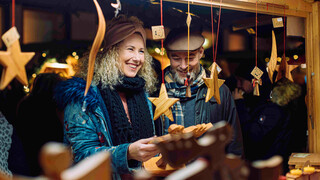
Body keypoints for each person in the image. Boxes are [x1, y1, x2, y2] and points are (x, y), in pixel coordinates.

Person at [54, 15, 159, 179]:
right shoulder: (84, 96)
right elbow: (80, 155)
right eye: (130, 49)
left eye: (141, 51)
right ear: (111, 52)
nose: (137, 58)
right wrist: (127, 152)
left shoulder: (140, 93)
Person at [159, 26, 243, 156]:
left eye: (190, 57)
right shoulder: (155, 89)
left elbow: (233, 141)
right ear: (168, 55)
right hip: (166, 172)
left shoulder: (220, 91)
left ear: (201, 52)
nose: (183, 66)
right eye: (176, 58)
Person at [233, 77, 302, 172]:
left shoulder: (274, 111)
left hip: (267, 166)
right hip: (276, 163)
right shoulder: (286, 110)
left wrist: (239, 104)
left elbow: (253, 134)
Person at [15, 73, 66, 176]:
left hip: (28, 154)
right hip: (52, 154)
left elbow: (20, 129)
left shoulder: (25, 104)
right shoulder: (57, 107)